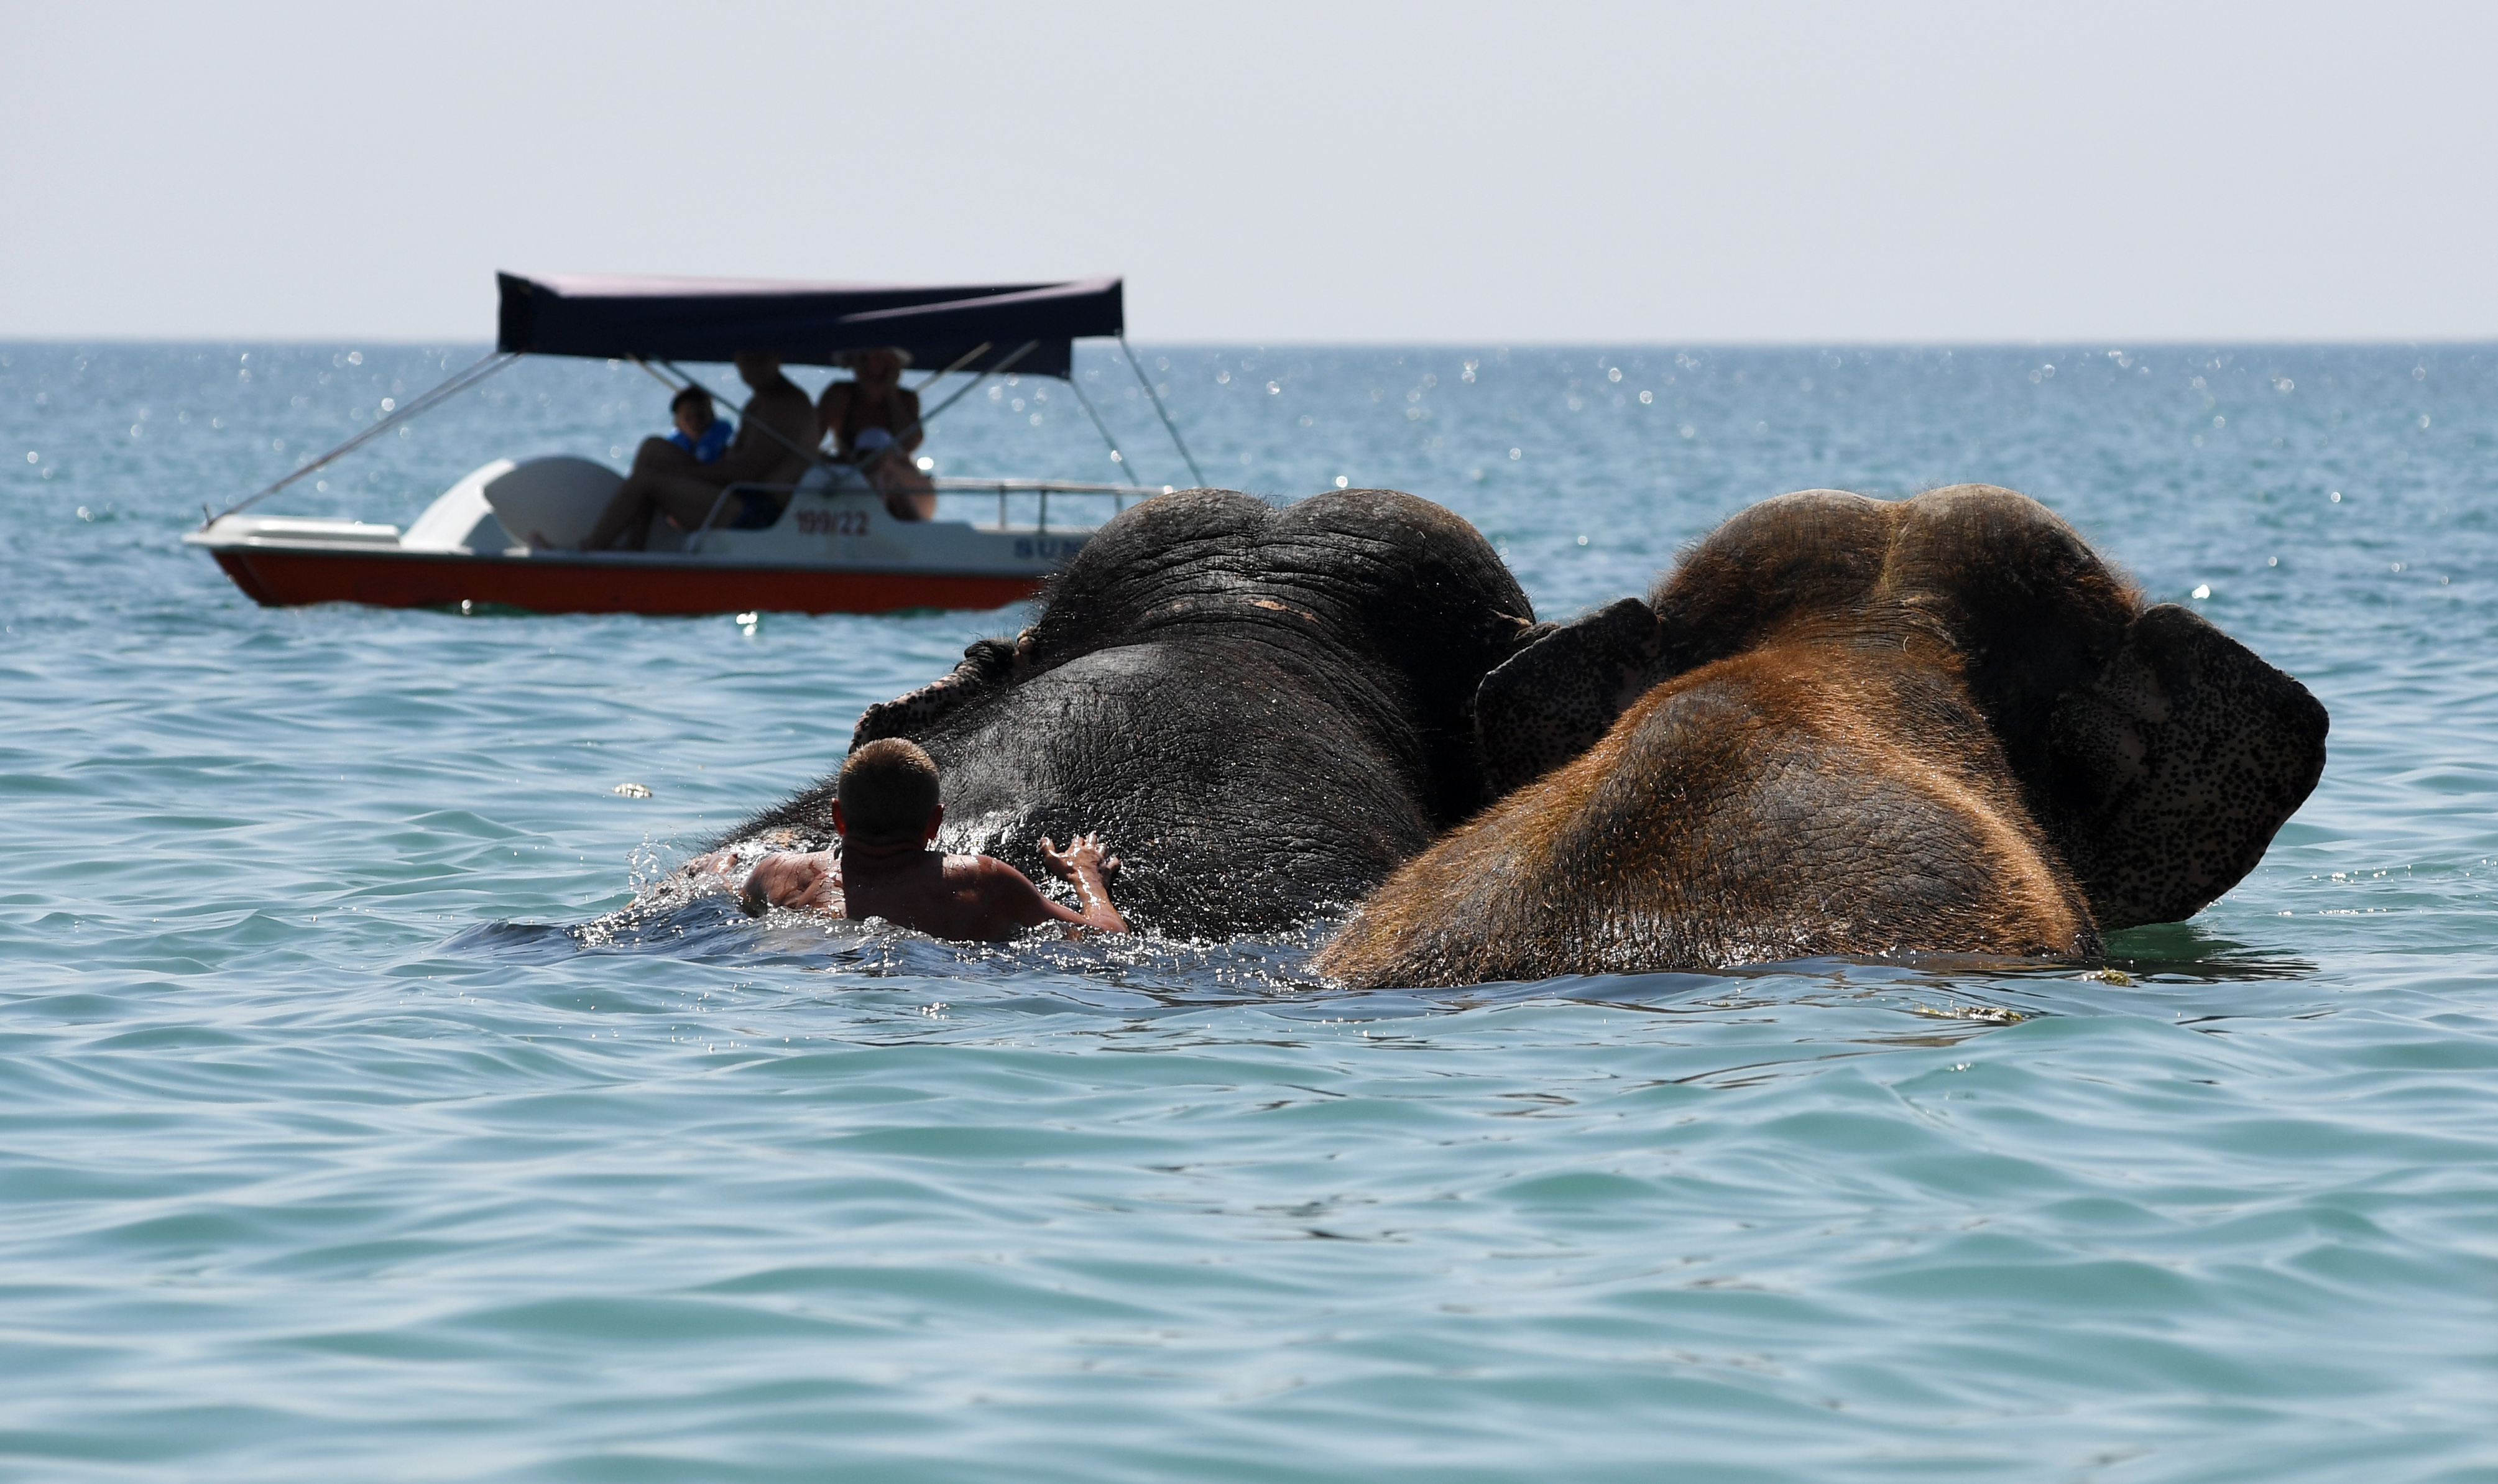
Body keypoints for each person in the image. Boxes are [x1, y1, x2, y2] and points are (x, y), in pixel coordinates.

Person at [739, 739, 1128, 940]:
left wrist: (721, 868)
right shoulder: (981, 879)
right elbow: (1107, 941)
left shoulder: (774, 873)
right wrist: (1087, 876)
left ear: (837, 816)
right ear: (935, 822)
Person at [583, 351, 819, 550]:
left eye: (761, 359)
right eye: (746, 359)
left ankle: (591, 549)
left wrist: (677, 471)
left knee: (647, 478)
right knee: (652, 448)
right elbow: (736, 461)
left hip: (758, 512)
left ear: (778, 358)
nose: (751, 368)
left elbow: (746, 472)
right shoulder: (760, 401)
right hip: (737, 495)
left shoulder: (786, 404)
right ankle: (636, 545)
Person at [817, 346, 938, 521]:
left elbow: (911, 444)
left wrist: (891, 394)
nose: (872, 366)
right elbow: (809, 442)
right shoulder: (839, 395)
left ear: (893, 365)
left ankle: (912, 531)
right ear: (853, 364)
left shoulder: (906, 399)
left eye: (881, 359)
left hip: (899, 481)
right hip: (851, 474)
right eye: (864, 359)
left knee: (884, 470)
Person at [665, 385, 734, 463]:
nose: (695, 422)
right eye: (688, 418)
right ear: (676, 423)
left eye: (701, 416)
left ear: (712, 416)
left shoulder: (731, 453)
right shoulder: (670, 453)